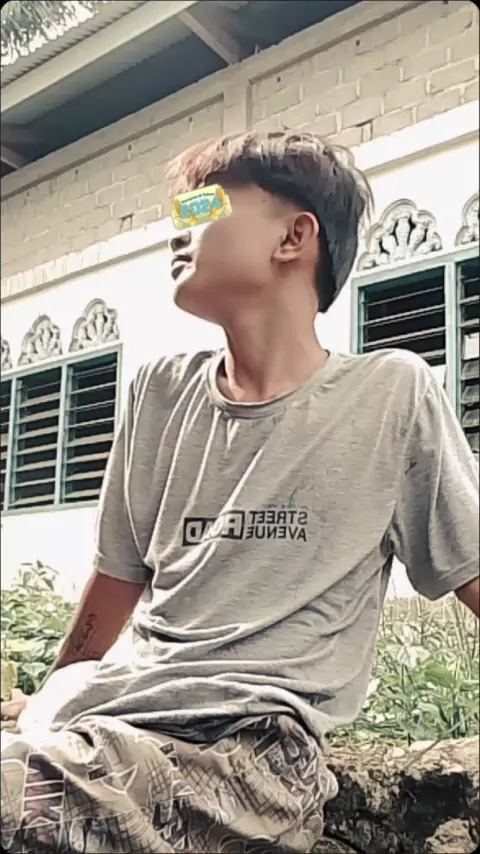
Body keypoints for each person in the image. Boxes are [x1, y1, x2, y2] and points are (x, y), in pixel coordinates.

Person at [1, 131, 479, 854]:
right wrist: (51, 696)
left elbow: (472, 569)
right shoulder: (160, 392)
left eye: (203, 208)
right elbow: (117, 580)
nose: (178, 229)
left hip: (250, 753)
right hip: (108, 724)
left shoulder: (390, 393)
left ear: (294, 236)